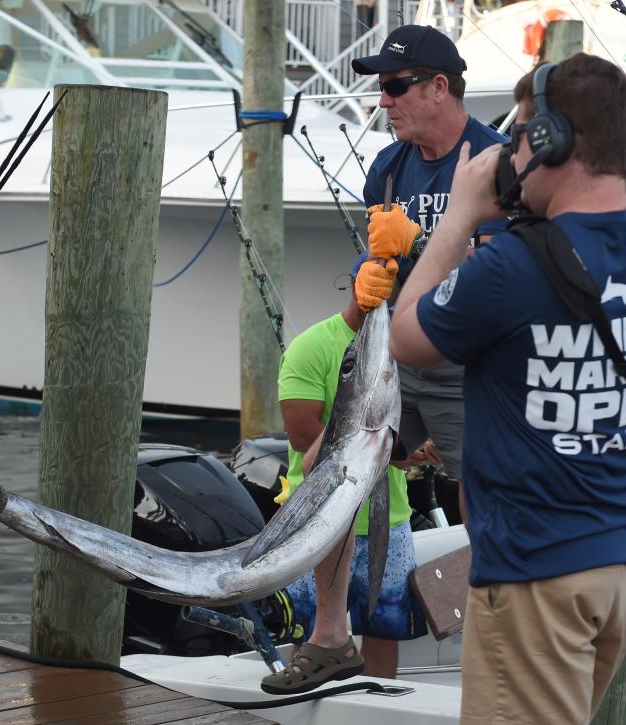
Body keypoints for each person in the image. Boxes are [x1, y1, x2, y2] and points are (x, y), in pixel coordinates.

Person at [390, 53, 626, 724]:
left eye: (519, 135)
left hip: (534, 572)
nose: (508, 152)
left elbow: (405, 335)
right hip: (616, 558)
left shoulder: (512, 265)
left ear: (552, 140)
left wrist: (461, 213)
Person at [351, 24, 509, 524]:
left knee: (482, 491)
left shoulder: (496, 161)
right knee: (342, 469)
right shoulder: (387, 168)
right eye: (381, 88)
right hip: (397, 358)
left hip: (469, 364)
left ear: (439, 87)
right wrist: (365, 276)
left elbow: (502, 274)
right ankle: (335, 603)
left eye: (394, 85)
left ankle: (487, 597)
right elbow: (378, 254)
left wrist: (418, 240)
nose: (383, 101)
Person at [260, 257, 434, 694]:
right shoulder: (311, 346)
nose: (383, 296)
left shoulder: (405, 348)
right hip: (318, 518)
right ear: (355, 283)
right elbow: (303, 438)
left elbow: (414, 422)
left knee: (386, 625)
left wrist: (415, 448)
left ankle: (376, 711)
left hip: (388, 517)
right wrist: (388, 452)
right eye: (375, 284)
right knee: (307, 631)